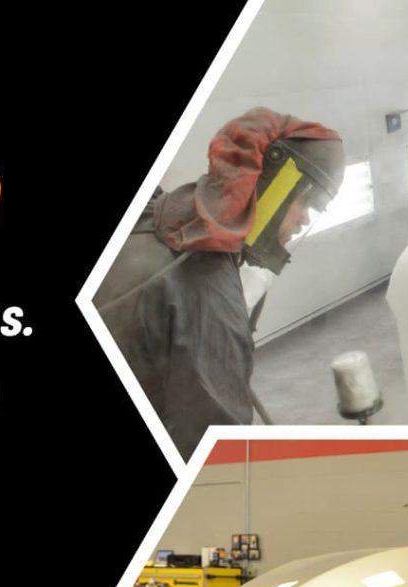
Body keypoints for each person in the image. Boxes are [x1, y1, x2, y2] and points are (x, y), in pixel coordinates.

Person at [94, 107, 345, 459]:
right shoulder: (209, 295)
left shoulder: (156, 214)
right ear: (272, 179)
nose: (304, 220)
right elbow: (214, 453)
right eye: (306, 202)